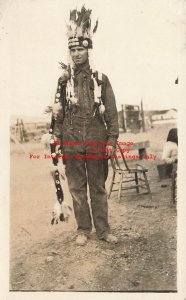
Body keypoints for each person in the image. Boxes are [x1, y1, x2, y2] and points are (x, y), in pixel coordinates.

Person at [50, 6, 119, 245]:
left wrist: (112, 140)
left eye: (81, 49)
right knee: (77, 188)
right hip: (70, 139)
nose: (77, 54)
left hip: (96, 136)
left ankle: (103, 230)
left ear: (88, 50)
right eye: (73, 50)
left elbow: (111, 111)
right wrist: (57, 141)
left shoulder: (100, 79)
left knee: (97, 186)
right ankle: (83, 230)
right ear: (69, 54)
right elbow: (57, 114)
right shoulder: (63, 81)